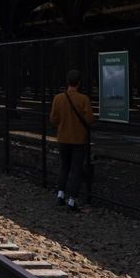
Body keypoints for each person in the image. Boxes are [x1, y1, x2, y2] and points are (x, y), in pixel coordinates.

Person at [48, 69, 94, 213]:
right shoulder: (84, 99)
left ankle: (60, 195)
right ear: (79, 83)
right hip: (79, 139)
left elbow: (53, 119)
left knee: (64, 166)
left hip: (63, 137)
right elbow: (90, 119)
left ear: (67, 81)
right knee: (76, 170)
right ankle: (72, 201)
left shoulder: (58, 98)